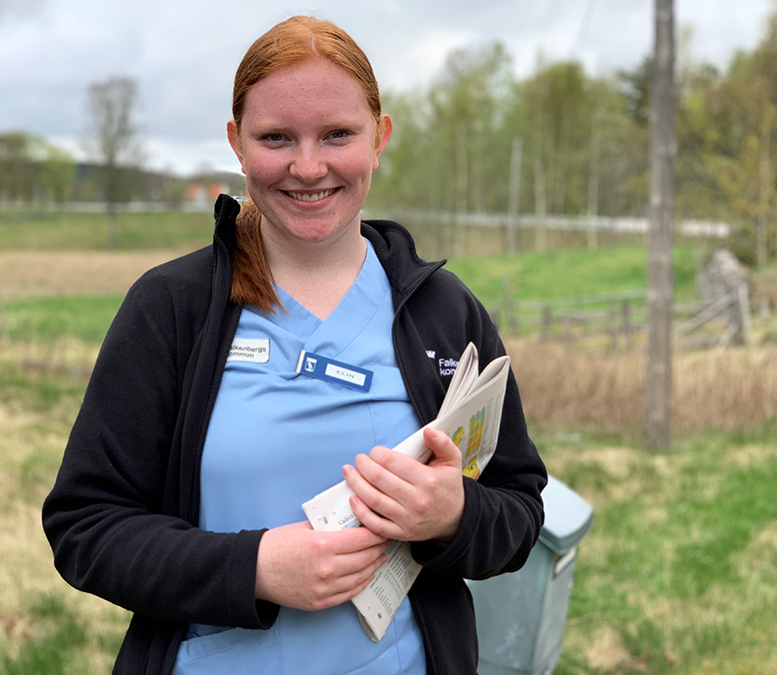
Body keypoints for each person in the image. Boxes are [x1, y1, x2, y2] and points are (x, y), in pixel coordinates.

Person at [42, 15, 546, 675]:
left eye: (337, 134)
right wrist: (252, 568)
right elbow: (86, 527)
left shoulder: (446, 312)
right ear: (236, 142)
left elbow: (519, 507)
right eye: (276, 138)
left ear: (380, 137)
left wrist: (454, 513)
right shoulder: (172, 310)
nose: (307, 167)